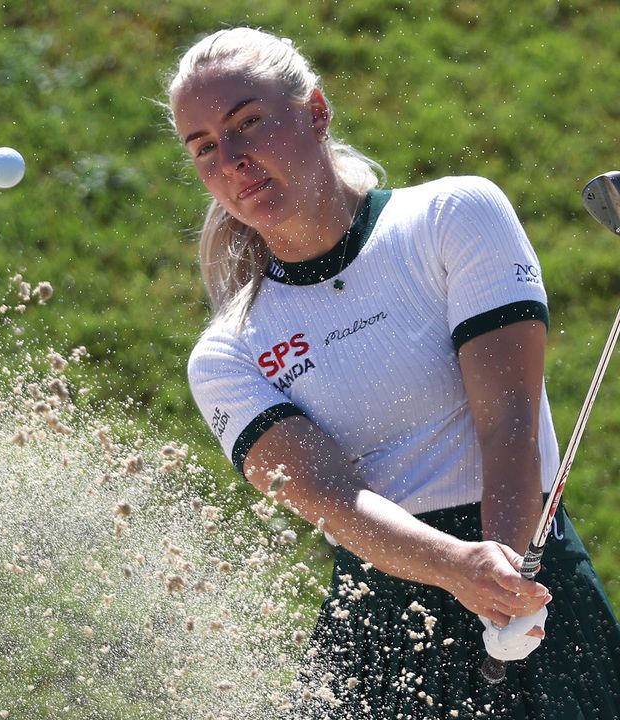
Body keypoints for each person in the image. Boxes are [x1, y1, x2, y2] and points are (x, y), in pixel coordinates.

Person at [168, 27, 620, 718]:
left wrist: (502, 579)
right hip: (378, 630)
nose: (231, 159)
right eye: (204, 148)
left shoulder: (453, 214)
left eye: (248, 123)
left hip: (531, 579)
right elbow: (333, 498)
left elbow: (507, 424)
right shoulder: (226, 353)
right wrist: (462, 571)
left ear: (315, 111)